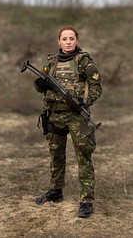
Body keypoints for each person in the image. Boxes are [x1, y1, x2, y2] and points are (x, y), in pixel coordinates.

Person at [34, 25, 102, 218]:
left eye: (72, 38)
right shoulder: (51, 61)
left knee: (83, 157)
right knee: (56, 155)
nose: (68, 42)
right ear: (59, 41)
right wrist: (40, 85)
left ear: (77, 40)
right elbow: (42, 83)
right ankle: (55, 191)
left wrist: (84, 101)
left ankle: (86, 201)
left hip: (77, 117)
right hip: (55, 115)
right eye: (64, 39)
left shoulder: (84, 61)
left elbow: (96, 87)